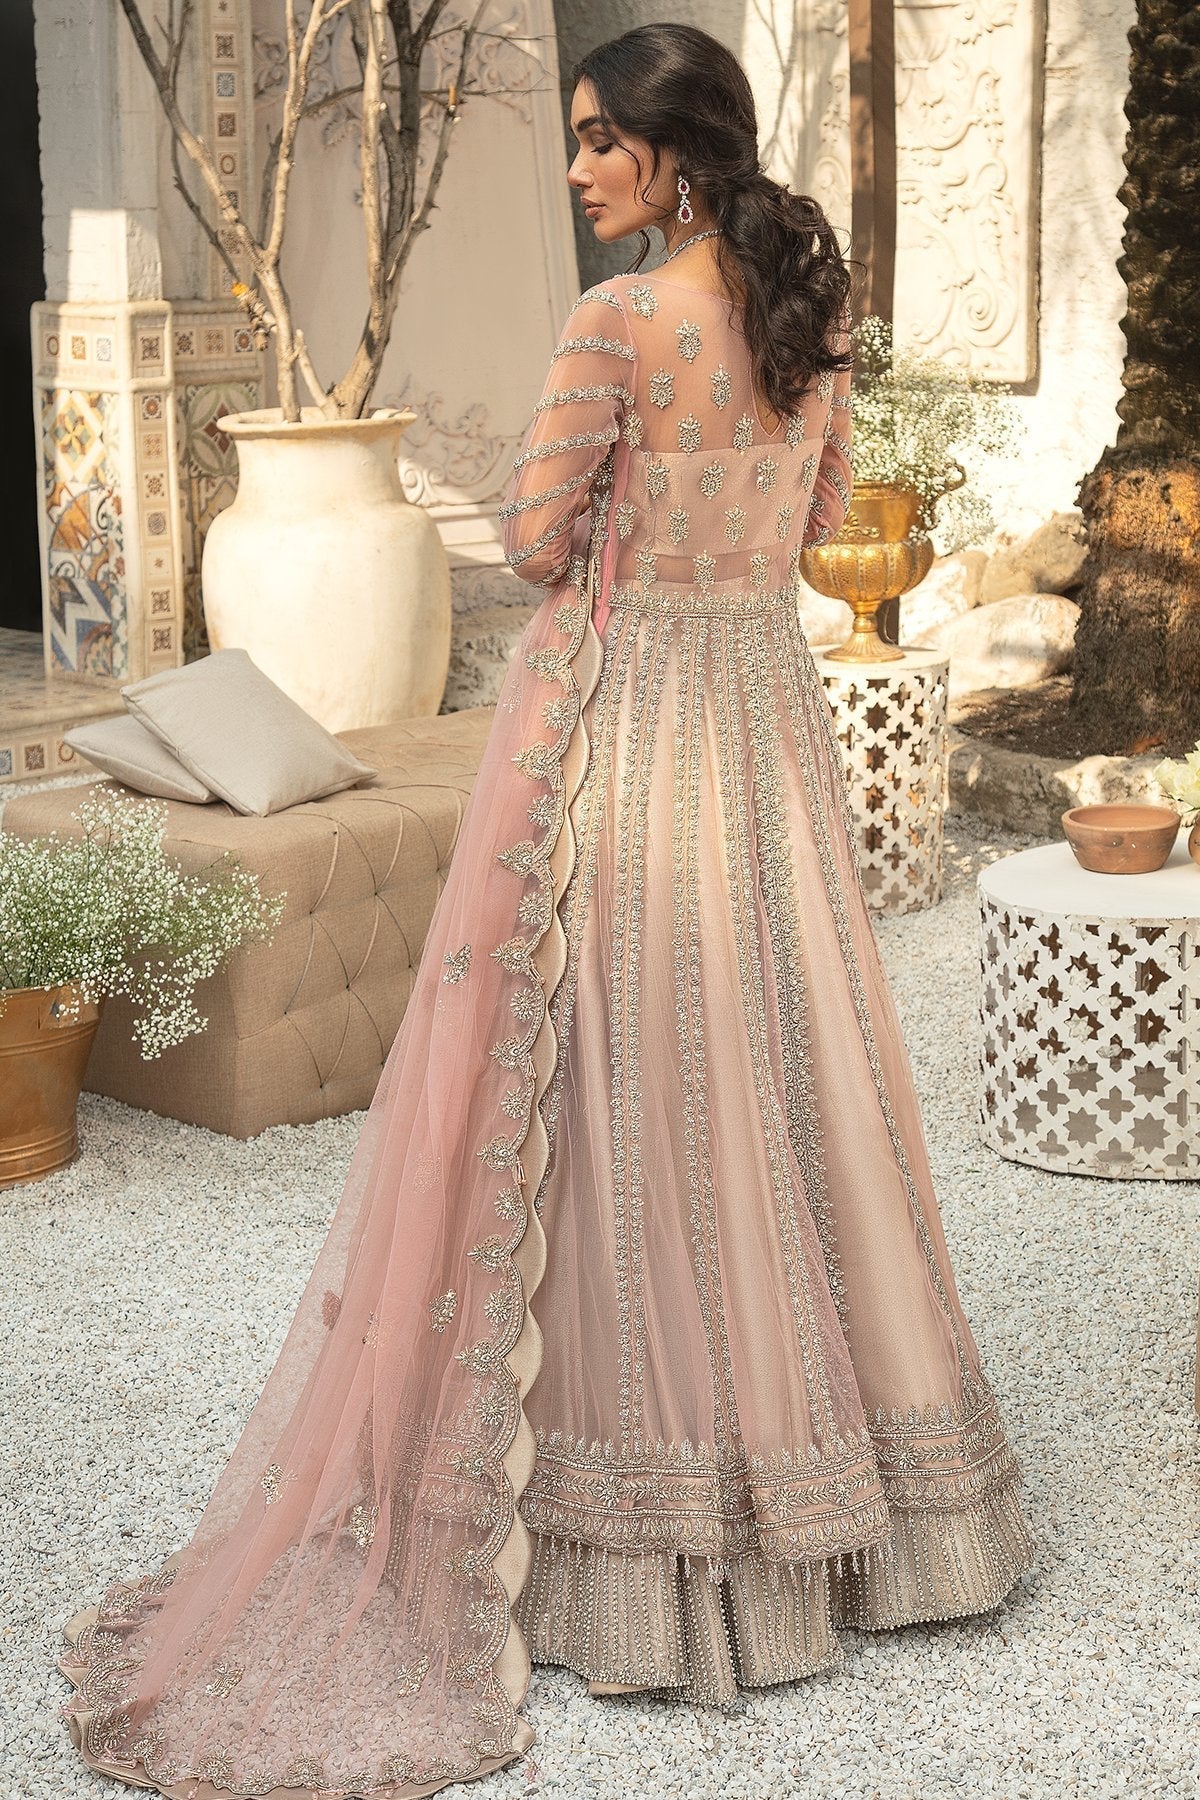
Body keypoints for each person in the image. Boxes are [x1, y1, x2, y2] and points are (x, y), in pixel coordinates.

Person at [56, 22, 1035, 1800]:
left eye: (598, 140)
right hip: (766, 730)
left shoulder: (615, 324)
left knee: (631, 1085)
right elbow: (823, 523)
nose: (577, 169)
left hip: (634, 730)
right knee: (789, 1073)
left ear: (676, 149)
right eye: (575, 138)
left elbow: (524, 539)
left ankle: (644, 1517)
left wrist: (619, 539)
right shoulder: (810, 315)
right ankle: (849, 1500)